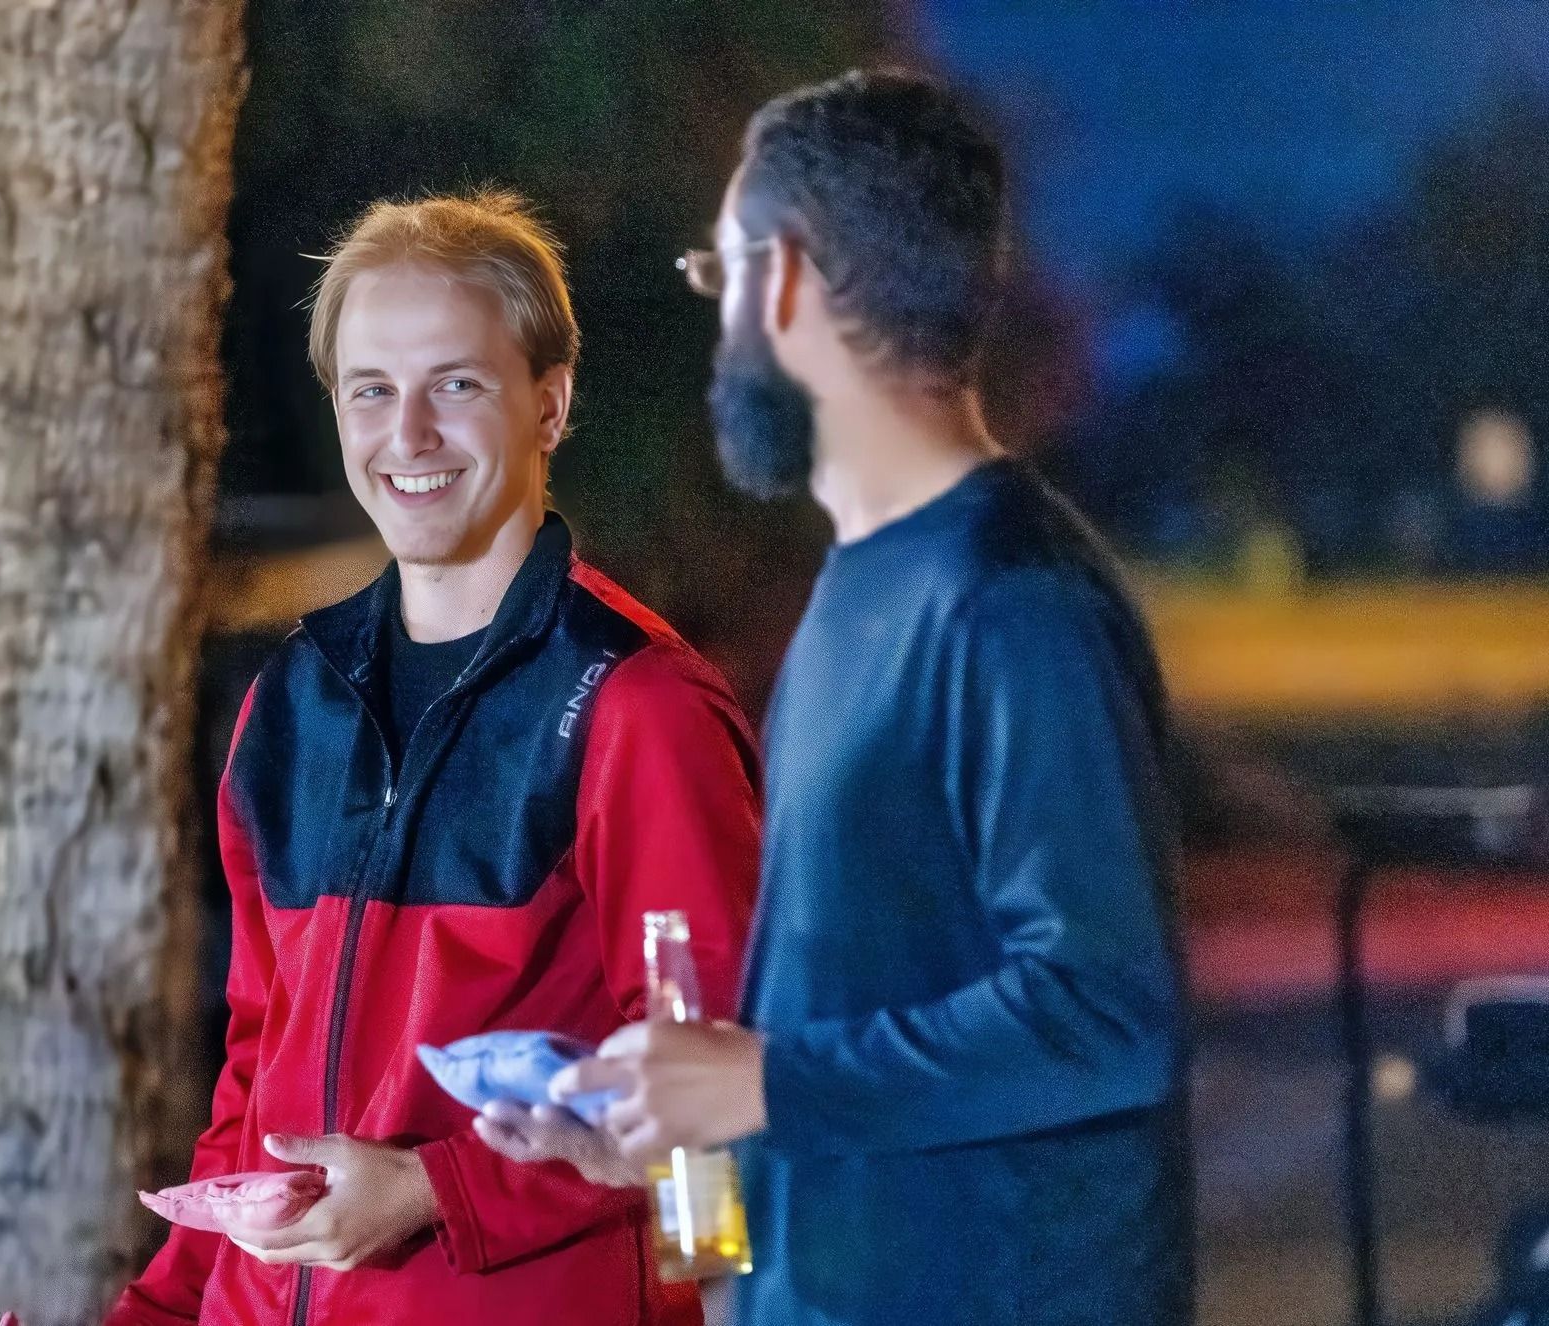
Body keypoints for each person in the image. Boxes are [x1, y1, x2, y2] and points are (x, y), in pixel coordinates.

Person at [480, 70, 1194, 1326]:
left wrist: (760, 1083)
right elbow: (855, 1044)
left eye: (721, 275)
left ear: (786, 280)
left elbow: (1105, 1012)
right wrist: (669, 1129)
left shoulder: (1010, 602)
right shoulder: (862, 591)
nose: (720, 323)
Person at [105, 191, 761, 1326]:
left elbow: (720, 1106)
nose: (406, 435)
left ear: (550, 404)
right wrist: (157, 1314)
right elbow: (255, 1083)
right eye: (371, 390)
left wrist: (435, 1190)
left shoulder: (639, 708)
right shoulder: (290, 702)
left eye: (455, 385)